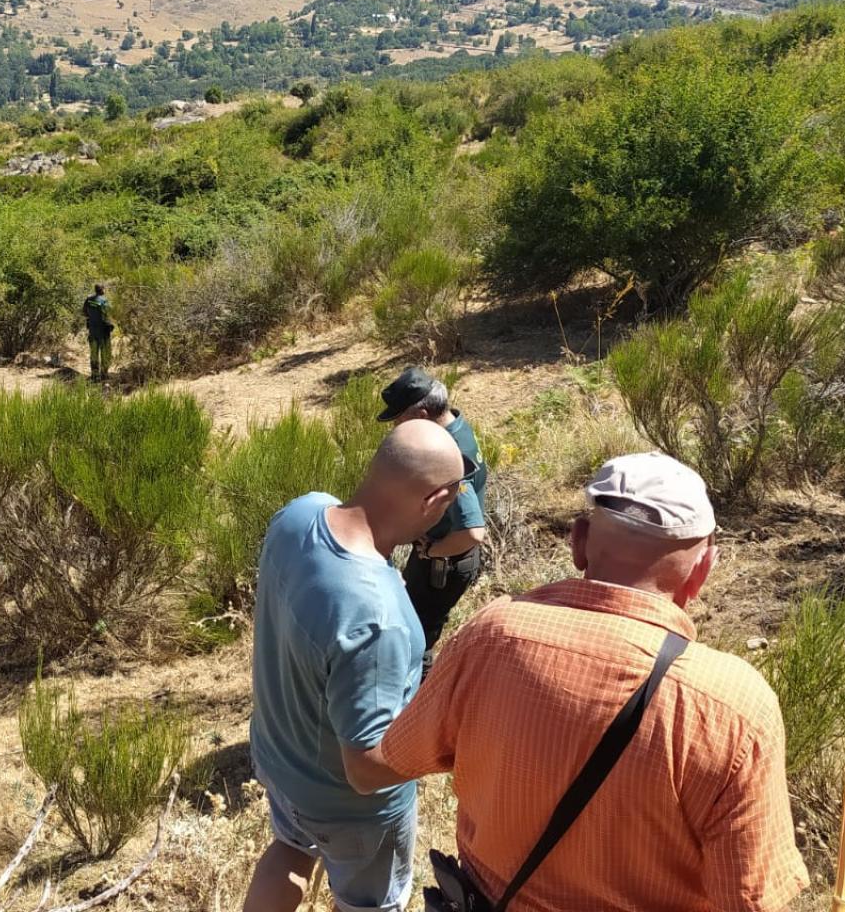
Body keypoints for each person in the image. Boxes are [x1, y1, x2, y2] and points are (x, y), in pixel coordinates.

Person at [351, 453, 809, 912]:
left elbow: (376, 769)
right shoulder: (734, 707)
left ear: (580, 541)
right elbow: (749, 900)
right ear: (703, 568)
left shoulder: (493, 636)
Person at [244, 421, 474, 912]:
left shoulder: (299, 513)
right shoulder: (378, 617)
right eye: (455, 495)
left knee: (289, 850)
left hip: (280, 762)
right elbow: (366, 772)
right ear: (435, 500)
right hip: (350, 813)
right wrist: (455, 746)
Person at [376, 368, 489, 670]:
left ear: (422, 415)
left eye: (399, 420)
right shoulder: (456, 426)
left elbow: (473, 532)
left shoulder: (450, 454)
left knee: (416, 641)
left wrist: (432, 551)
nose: (396, 428)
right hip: (444, 557)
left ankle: (420, 696)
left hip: (444, 562)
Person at [83, 283, 114, 381]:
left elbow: (84, 312)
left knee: (94, 354)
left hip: (93, 331)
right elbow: (107, 315)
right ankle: (104, 375)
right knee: (105, 354)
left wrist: (92, 318)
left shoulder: (88, 299)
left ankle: (95, 375)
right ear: (103, 290)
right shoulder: (104, 301)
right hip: (103, 333)